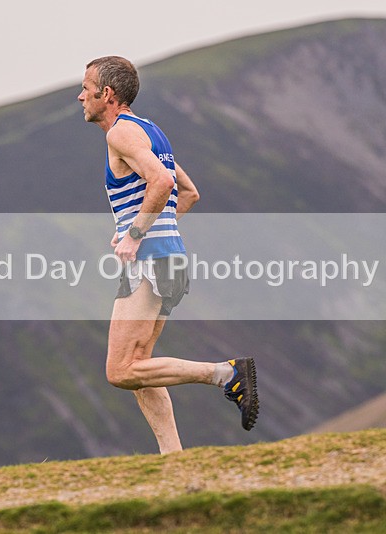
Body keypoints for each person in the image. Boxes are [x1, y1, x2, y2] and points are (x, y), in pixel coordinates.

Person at [77, 56, 258, 453]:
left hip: (152, 261)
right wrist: (144, 230)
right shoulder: (151, 131)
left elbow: (160, 181)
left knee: (120, 371)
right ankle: (173, 462)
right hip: (168, 257)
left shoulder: (121, 134)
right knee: (141, 366)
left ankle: (225, 375)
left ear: (106, 94)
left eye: (86, 88)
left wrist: (135, 234)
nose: (80, 96)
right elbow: (188, 192)